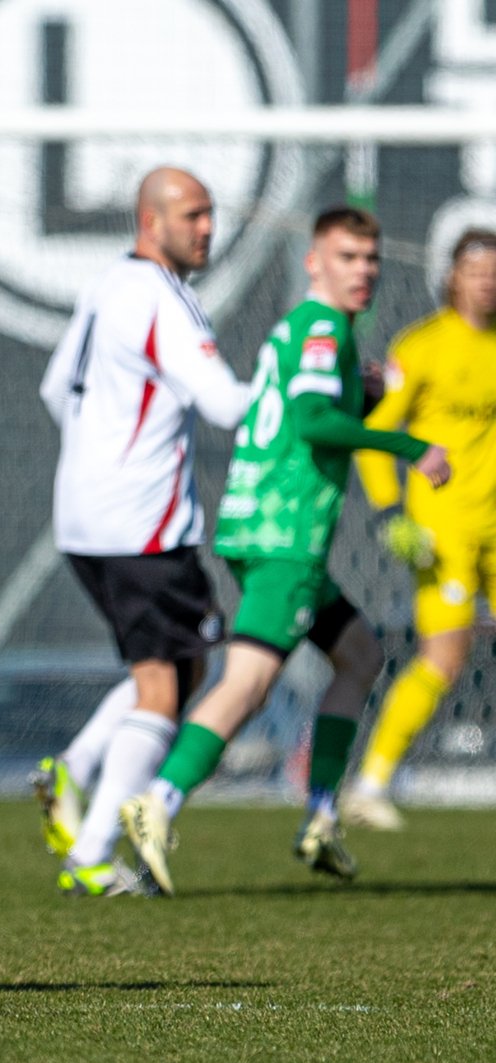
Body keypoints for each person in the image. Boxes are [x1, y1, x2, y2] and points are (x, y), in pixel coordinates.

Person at [121, 207, 452, 895]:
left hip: (263, 525)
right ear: (314, 260)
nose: (363, 270)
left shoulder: (303, 330)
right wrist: (410, 445)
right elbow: (310, 420)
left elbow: (307, 409)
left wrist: (359, 397)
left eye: (371, 258)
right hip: (286, 534)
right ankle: (159, 800)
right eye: (348, 256)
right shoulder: (324, 327)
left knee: (359, 655)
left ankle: (322, 813)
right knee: (249, 680)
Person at [34, 168, 250, 897]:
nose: (207, 229)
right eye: (193, 214)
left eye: (210, 213)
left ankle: (77, 766)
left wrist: (101, 452)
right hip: (143, 523)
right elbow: (225, 404)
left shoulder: (107, 284)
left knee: (181, 664)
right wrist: (310, 393)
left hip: (83, 516)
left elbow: (54, 387)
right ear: (149, 220)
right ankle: (93, 852)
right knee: (165, 681)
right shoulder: (162, 297)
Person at [342, 228, 496, 830]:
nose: (487, 279)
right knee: (445, 656)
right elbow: (374, 439)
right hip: (445, 532)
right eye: (476, 268)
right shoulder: (423, 347)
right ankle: (372, 781)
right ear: (451, 277)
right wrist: (389, 514)